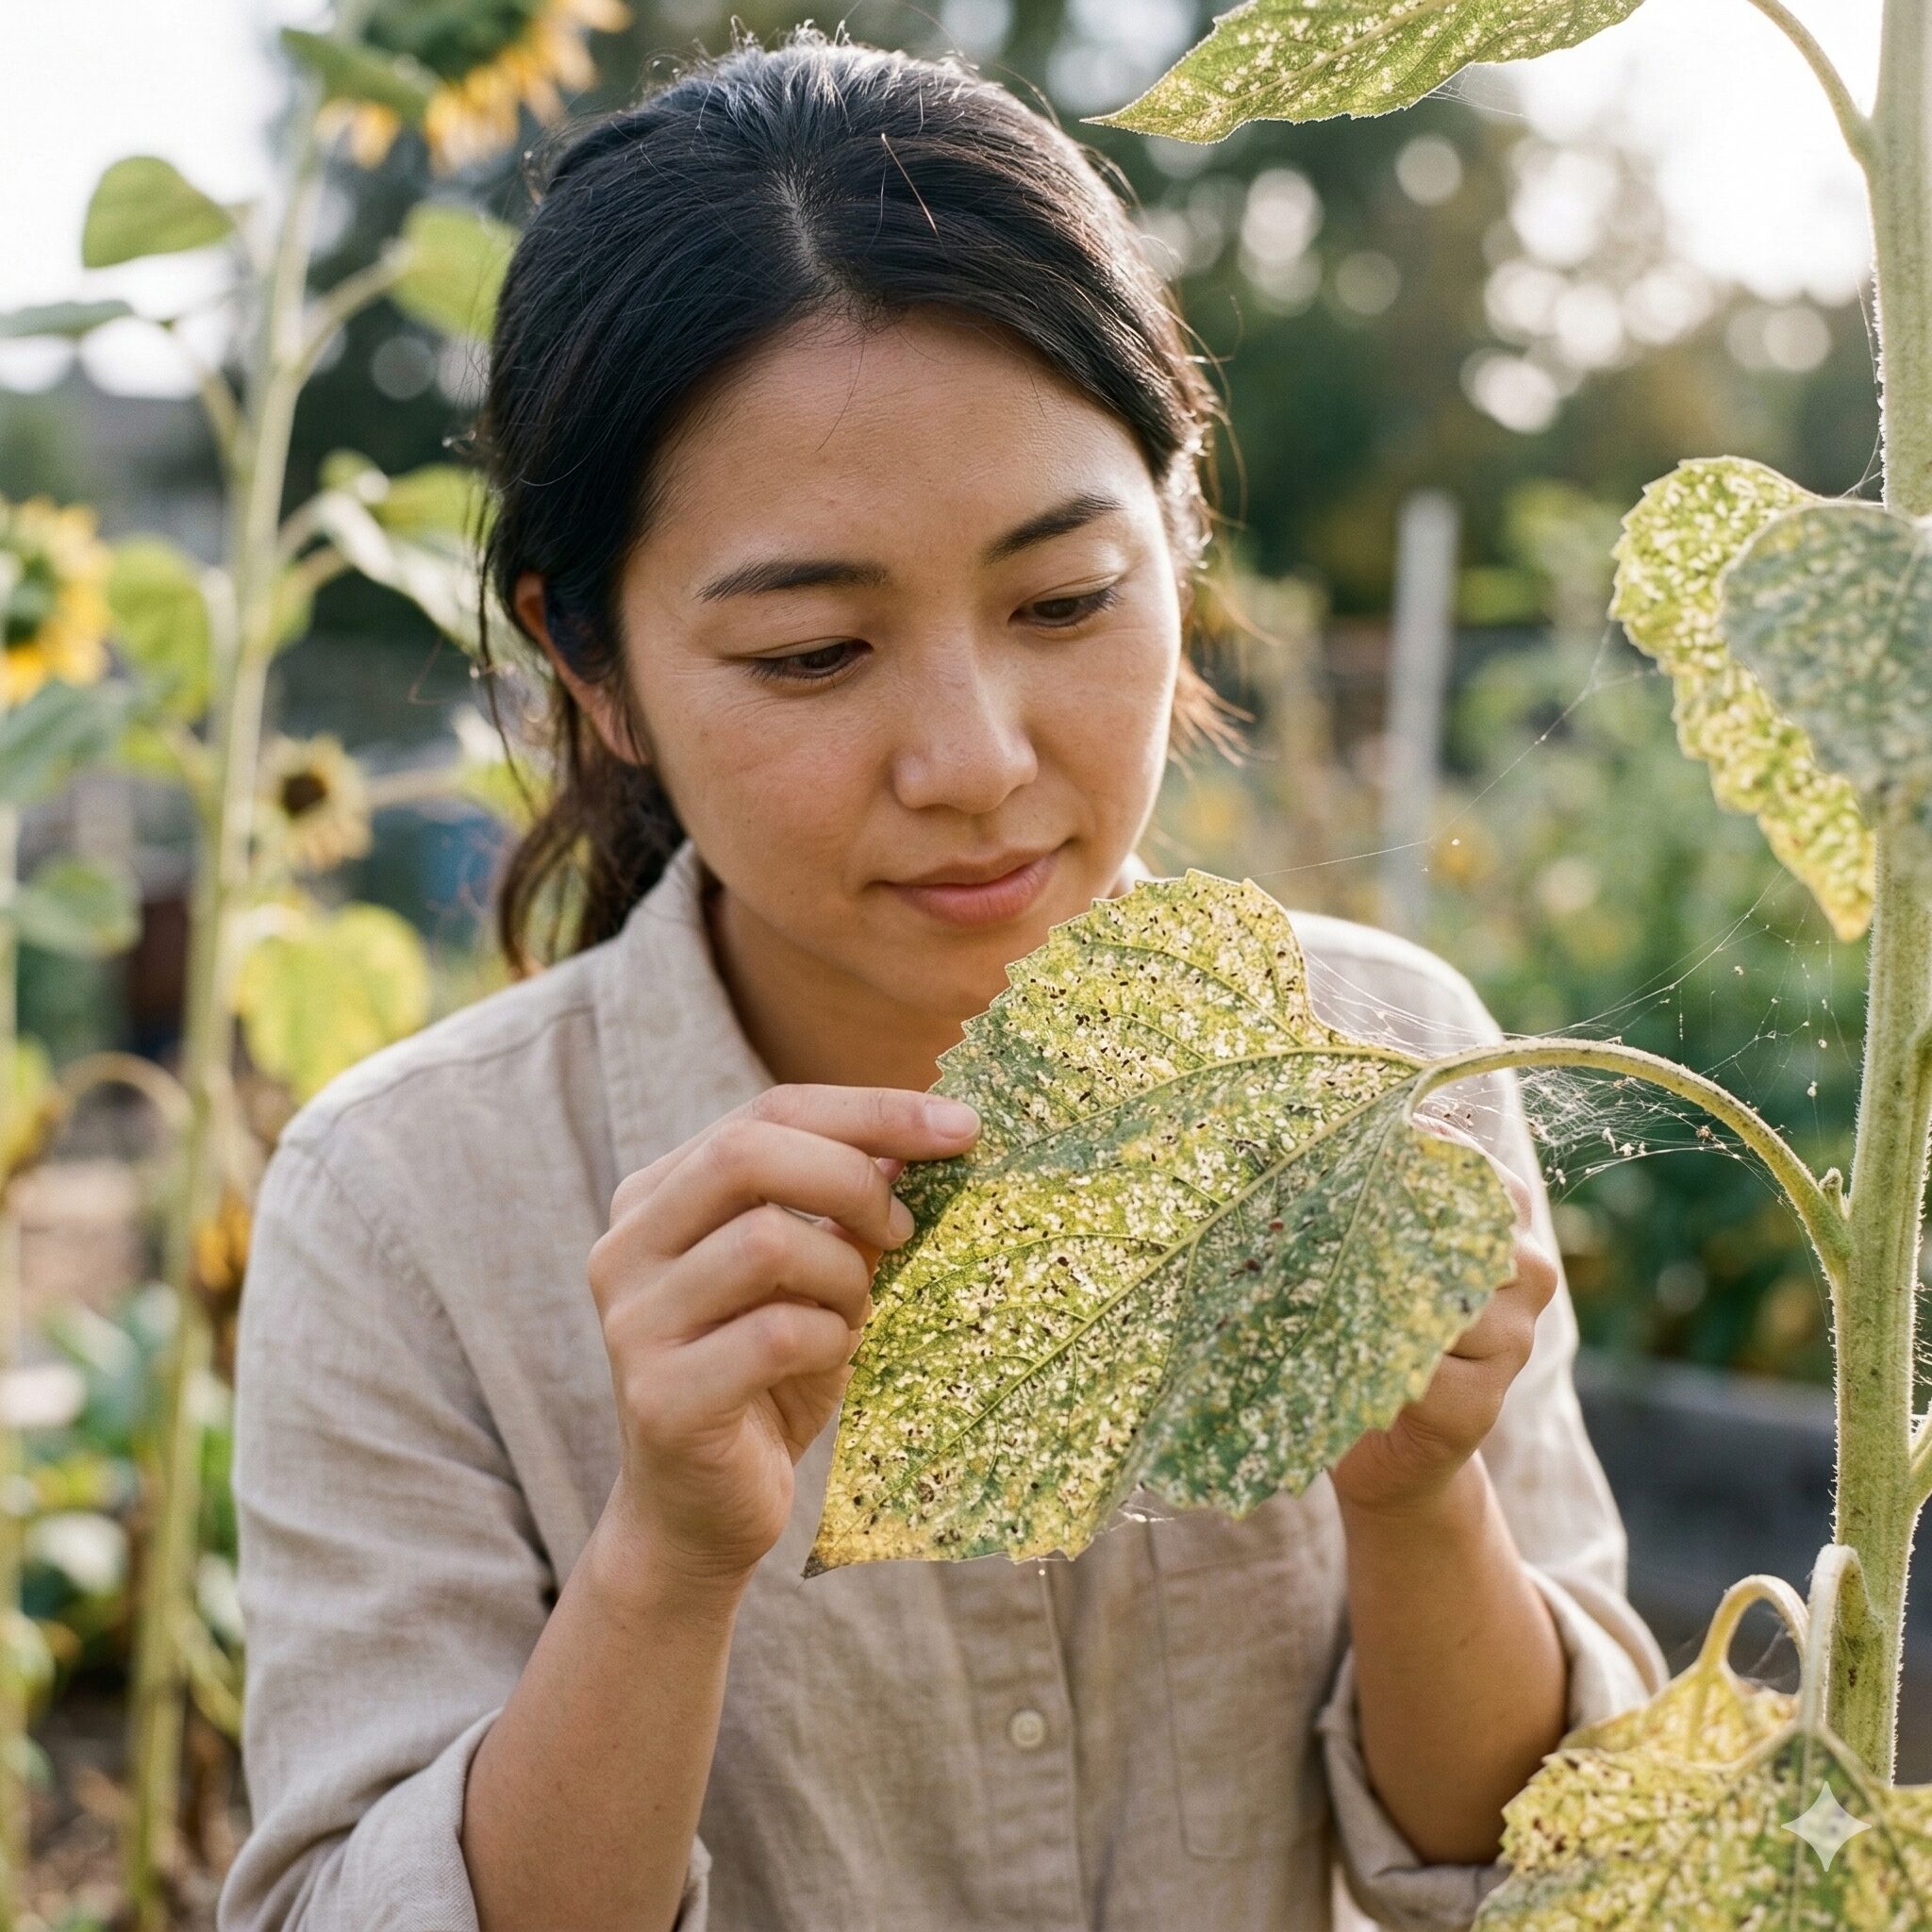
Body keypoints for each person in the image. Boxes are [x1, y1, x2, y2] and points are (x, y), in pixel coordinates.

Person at [217, 28, 1667, 1932]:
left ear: (1181, 528)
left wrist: (1415, 1500)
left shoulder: (1388, 1059)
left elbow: (1554, 1866)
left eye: (1065, 600)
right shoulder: (409, 1207)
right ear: (590, 665)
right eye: (814, 652)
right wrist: (667, 1559)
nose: (974, 759)